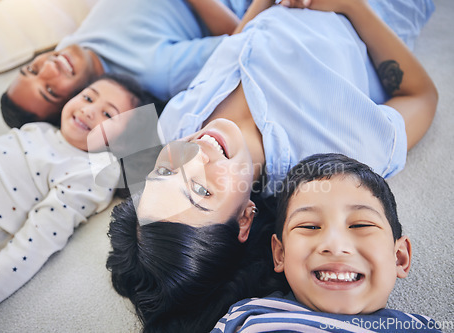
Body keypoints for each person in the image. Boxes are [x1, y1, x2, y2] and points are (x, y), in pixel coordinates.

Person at [106, 0, 437, 332]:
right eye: (202, 191)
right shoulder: (339, 158)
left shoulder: (174, 125)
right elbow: (420, 96)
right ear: (245, 219)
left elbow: (235, 49)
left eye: (164, 173)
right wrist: (351, 6)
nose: (192, 156)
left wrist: (261, 6)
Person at [0, 73, 147, 331]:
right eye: (88, 97)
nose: (89, 111)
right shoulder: (43, 128)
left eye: (108, 115)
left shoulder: (89, 173)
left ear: (121, 141)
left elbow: (31, 248)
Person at [212, 153, 442, 332]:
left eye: (360, 225)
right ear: (280, 254)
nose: (334, 245)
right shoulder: (247, 317)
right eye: (309, 226)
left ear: (399, 257)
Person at [0, 0, 253, 128]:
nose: (49, 68)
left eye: (31, 69)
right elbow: (242, 40)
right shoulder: (155, 71)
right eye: (50, 90)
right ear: (73, 102)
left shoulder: (68, 51)